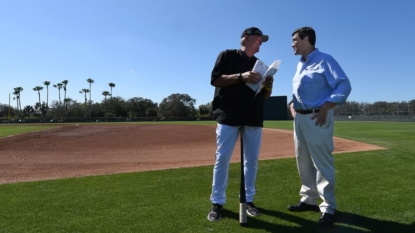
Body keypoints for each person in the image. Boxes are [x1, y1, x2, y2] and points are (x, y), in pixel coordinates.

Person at [207, 27, 274, 222]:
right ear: (246, 39)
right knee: (222, 160)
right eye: (259, 39)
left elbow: (265, 96)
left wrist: (268, 84)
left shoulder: (260, 65)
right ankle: (217, 203)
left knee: (251, 160)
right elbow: (215, 79)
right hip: (229, 115)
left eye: (262, 40)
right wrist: (240, 76)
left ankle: (249, 200)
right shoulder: (227, 55)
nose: (261, 43)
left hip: (253, 115)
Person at [287, 26, 352, 227]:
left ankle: (328, 207)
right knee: (303, 160)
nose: (292, 44)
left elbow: (344, 84)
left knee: (322, 163)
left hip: (318, 118)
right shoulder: (300, 65)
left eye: (295, 39)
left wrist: (327, 106)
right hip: (300, 119)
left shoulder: (325, 60)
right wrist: (292, 104)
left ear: (306, 39)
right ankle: (308, 199)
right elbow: (299, 91)